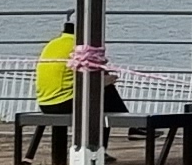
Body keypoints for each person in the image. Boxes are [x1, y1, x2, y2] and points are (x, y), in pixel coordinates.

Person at [33, 17, 131, 154]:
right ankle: (101, 147)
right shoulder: (81, 48)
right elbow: (95, 81)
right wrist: (109, 79)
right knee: (103, 94)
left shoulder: (53, 44)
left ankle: (130, 126)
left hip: (45, 103)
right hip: (63, 103)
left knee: (100, 92)